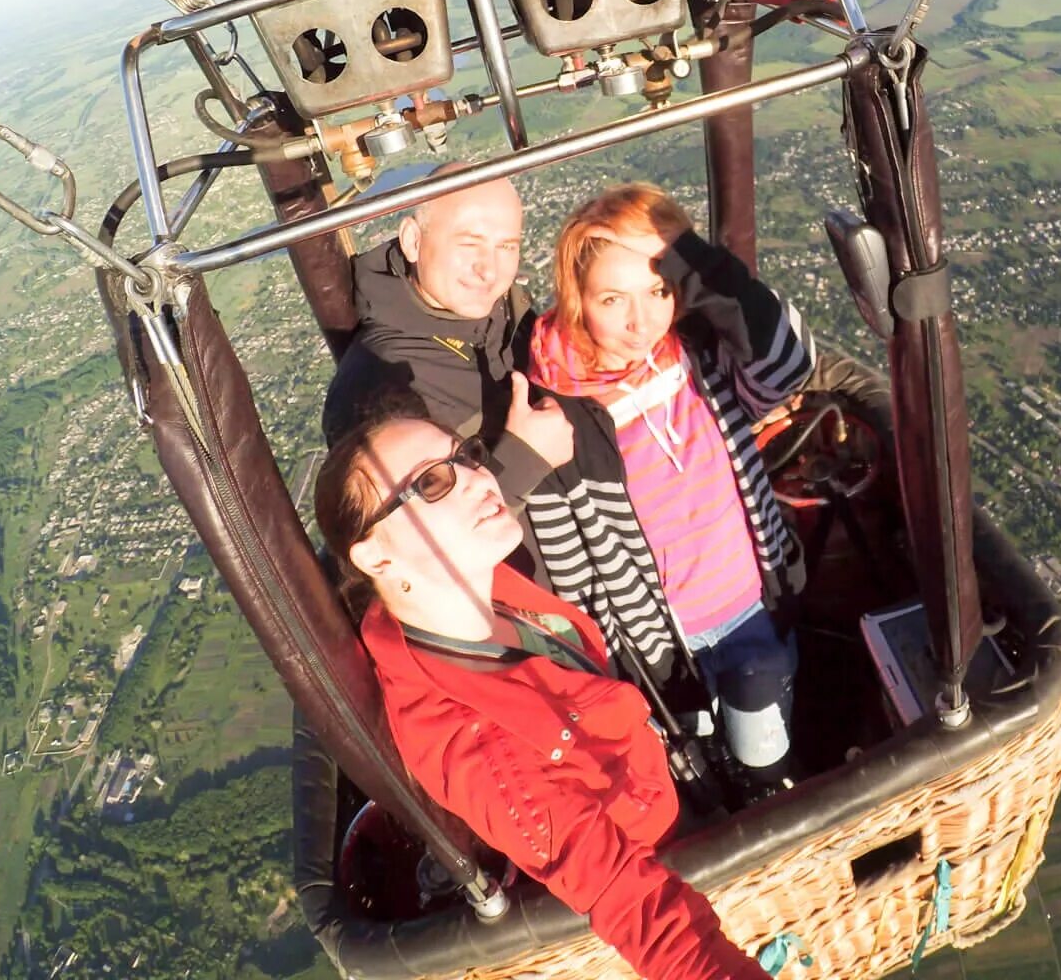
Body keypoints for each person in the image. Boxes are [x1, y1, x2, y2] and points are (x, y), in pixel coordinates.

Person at [316, 408, 769, 980]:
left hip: (661, 792)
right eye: (432, 481)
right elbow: (635, 908)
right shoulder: (476, 743)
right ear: (377, 557)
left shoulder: (486, 593)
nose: (480, 478)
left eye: (466, 455)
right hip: (662, 856)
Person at [527, 184, 810, 791]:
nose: (640, 321)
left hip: (751, 610)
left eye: (658, 290)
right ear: (575, 299)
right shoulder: (556, 412)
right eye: (612, 299)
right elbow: (566, 560)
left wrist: (687, 254)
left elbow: (787, 362)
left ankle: (766, 786)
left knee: (766, 762)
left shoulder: (702, 360)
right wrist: (611, 667)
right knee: (695, 775)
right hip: (655, 648)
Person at [321, 172, 573, 497]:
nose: (490, 270)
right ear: (413, 241)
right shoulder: (376, 387)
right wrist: (522, 463)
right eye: (469, 245)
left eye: (506, 247)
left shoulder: (508, 311)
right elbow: (409, 539)